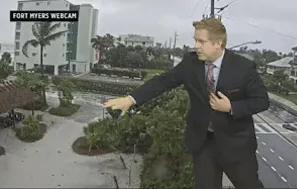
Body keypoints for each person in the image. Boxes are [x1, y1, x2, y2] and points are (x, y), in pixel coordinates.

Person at [103, 17, 269, 189]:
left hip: (236, 146)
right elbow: (163, 81)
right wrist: (130, 99)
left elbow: (262, 101)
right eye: (195, 40)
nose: (195, 45)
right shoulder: (190, 63)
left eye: (201, 41)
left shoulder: (244, 67)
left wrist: (231, 107)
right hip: (203, 144)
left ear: (218, 43)